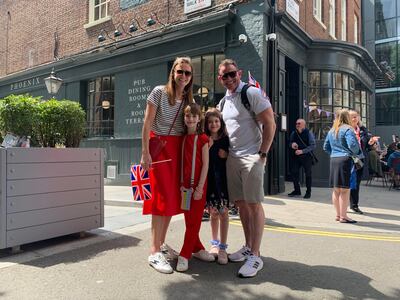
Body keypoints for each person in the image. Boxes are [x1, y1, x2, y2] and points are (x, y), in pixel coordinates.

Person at [217, 59, 276, 278]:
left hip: (252, 156)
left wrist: (262, 154)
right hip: (232, 158)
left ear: (239, 73)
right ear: (220, 79)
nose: (230, 79)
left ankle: (256, 255)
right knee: (241, 206)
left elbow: (270, 123)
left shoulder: (250, 93)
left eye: (233, 74)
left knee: (253, 206)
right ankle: (248, 246)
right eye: (225, 76)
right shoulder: (224, 102)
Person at [141, 57, 193, 274]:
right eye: (180, 71)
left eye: (187, 73)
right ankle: (154, 251)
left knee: (172, 201)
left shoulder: (188, 99)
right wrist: (145, 153)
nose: (183, 76)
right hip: (160, 148)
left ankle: (161, 244)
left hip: (177, 150)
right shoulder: (159, 92)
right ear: (173, 72)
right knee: (160, 201)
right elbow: (147, 122)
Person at [176, 103, 215, 272]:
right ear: (184, 119)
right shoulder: (183, 138)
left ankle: (184, 255)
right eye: (187, 116)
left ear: (199, 119)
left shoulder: (204, 139)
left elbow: (206, 165)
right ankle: (197, 248)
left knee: (195, 223)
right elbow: (182, 164)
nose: (190, 119)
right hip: (185, 188)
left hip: (199, 187)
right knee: (189, 221)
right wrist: (180, 185)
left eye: (194, 116)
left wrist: (199, 188)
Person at [323, 109, 361, 224]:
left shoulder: (332, 130)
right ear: (347, 118)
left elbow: (325, 147)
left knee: (336, 190)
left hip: (334, 160)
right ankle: (344, 217)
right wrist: (356, 152)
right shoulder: (348, 129)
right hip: (345, 160)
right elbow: (353, 145)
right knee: (345, 190)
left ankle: (338, 215)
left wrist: (334, 153)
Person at [204, 108, 230, 265]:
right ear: (206, 124)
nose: (214, 124)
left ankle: (223, 248)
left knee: (224, 213)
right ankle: (214, 243)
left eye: (216, 121)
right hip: (210, 181)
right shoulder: (205, 139)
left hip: (224, 182)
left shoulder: (226, 140)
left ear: (221, 123)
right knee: (213, 213)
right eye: (210, 122)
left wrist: (226, 155)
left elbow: (233, 158)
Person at [348, 110, 371, 214]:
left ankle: (354, 205)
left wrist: (371, 142)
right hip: (348, 159)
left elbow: (368, 146)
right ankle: (342, 206)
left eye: (356, 116)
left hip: (359, 160)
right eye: (352, 116)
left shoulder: (363, 130)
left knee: (356, 183)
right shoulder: (345, 130)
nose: (355, 118)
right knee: (345, 184)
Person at [287, 119, 316, 199]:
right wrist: (292, 144)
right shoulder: (294, 133)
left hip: (306, 156)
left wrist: (302, 151)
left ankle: (308, 192)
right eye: (296, 123)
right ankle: (297, 190)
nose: (297, 124)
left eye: (299, 123)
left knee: (308, 174)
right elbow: (289, 142)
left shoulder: (308, 133)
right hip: (296, 156)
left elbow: (313, 145)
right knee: (294, 172)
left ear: (304, 124)